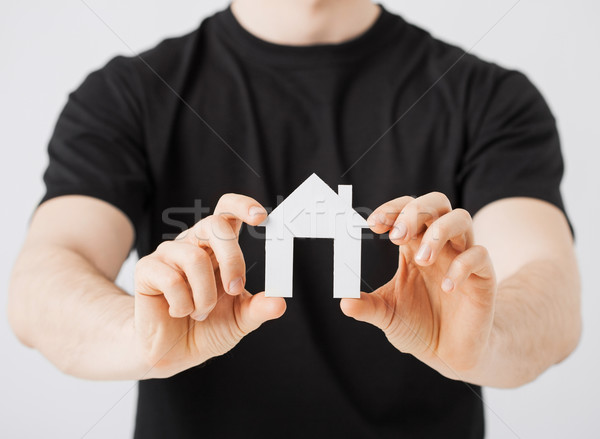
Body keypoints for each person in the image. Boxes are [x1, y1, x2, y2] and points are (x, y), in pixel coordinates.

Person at [8, 0, 581, 437]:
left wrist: (485, 335)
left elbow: (549, 289)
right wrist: (137, 333)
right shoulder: (126, 95)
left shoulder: (489, 98)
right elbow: (44, 281)